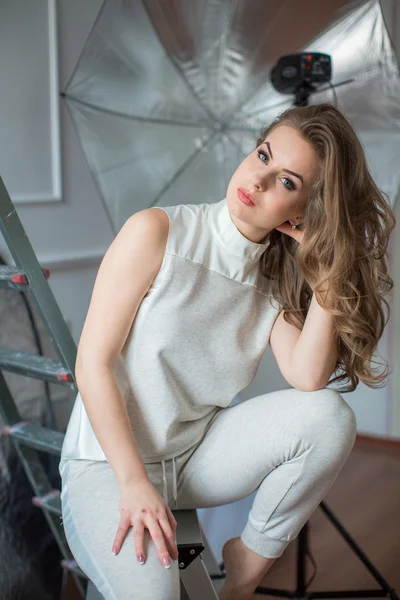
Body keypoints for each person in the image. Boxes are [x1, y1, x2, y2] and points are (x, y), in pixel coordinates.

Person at [59, 103, 395, 600]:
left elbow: (308, 378)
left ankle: (247, 563)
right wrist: (133, 483)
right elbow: (91, 364)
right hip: (107, 465)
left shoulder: (274, 282)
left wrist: (325, 277)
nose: (258, 181)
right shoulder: (156, 232)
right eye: (263, 156)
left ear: (302, 213)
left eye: (287, 182)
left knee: (330, 417)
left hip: (195, 458)